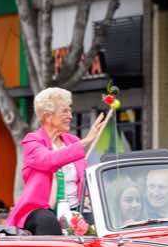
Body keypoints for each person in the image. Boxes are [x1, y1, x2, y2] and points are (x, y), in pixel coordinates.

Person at [7, 88, 106, 235]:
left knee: (101, 223)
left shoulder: (73, 141)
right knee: (47, 221)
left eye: (70, 111)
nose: (70, 116)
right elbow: (49, 161)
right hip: (42, 210)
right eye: (65, 111)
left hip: (76, 209)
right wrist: (86, 141)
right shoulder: (32, 141)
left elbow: (84, 179)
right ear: (48, 116)